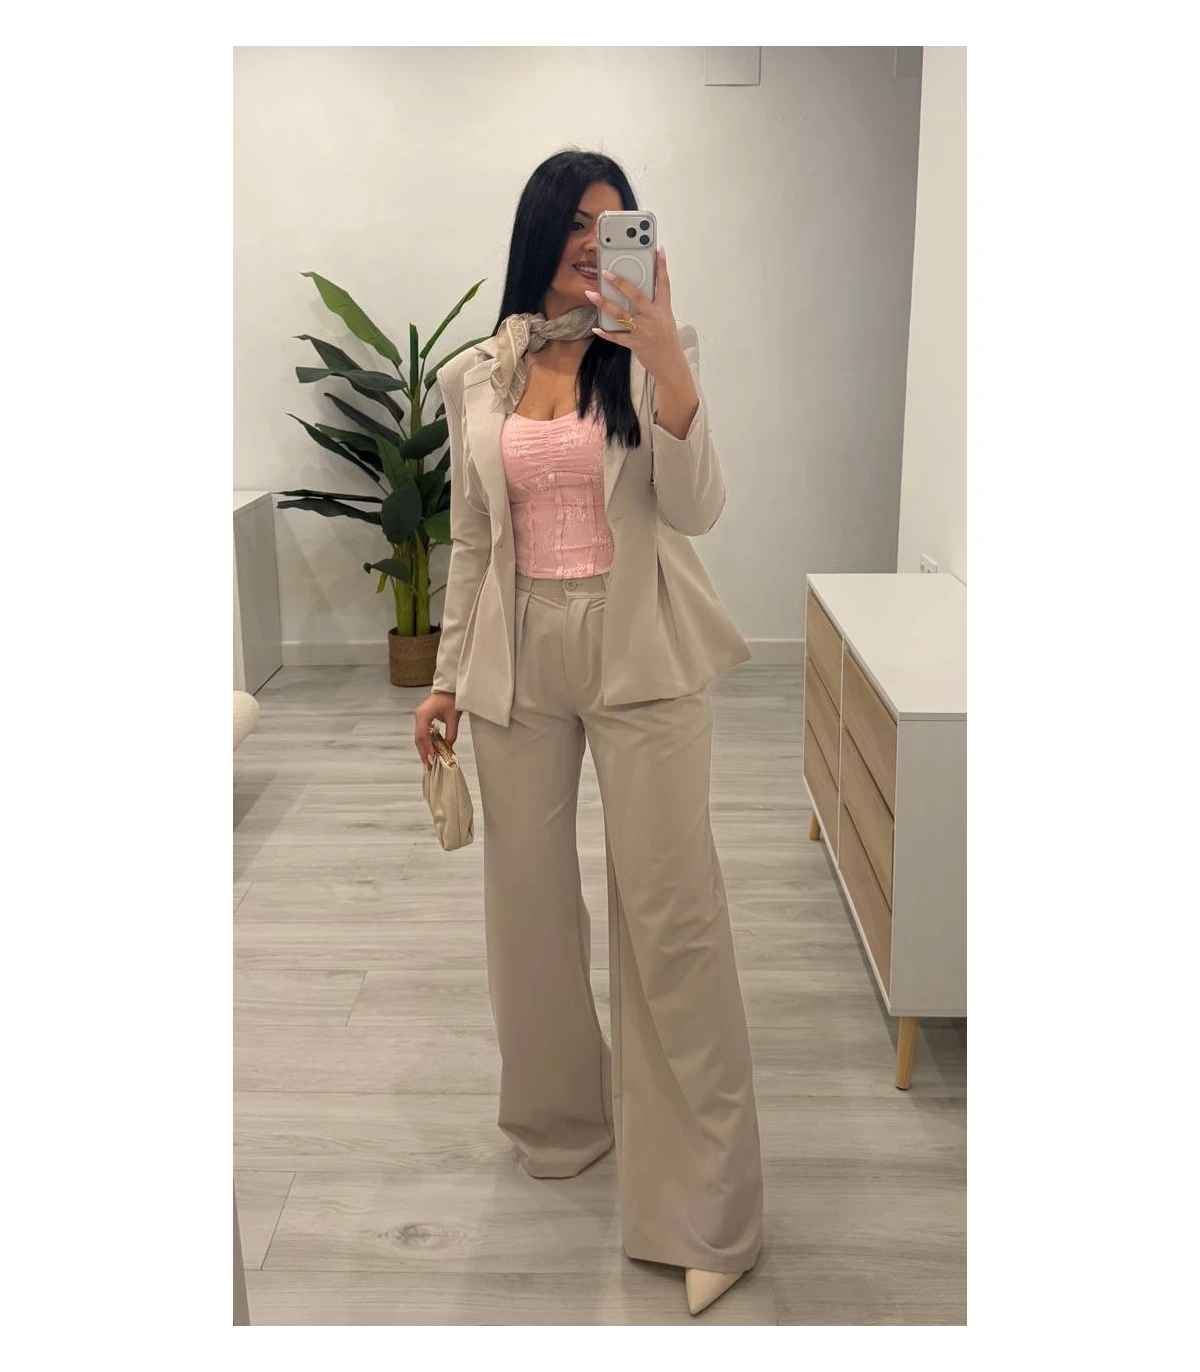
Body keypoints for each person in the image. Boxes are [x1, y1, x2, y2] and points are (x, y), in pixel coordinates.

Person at [413, 149, 763, 1317]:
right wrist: (446, 678)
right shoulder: (479, 373)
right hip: (518, 656)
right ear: (536, 233)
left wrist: (667, 363)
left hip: (641, 644)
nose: (588, 243)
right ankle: (563, 1119)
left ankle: (708, 1207)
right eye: (571, 223)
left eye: (610, 226)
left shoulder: (652, 351)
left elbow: (697, 509)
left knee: (671, 917)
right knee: (527, 907)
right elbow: (474, 539)